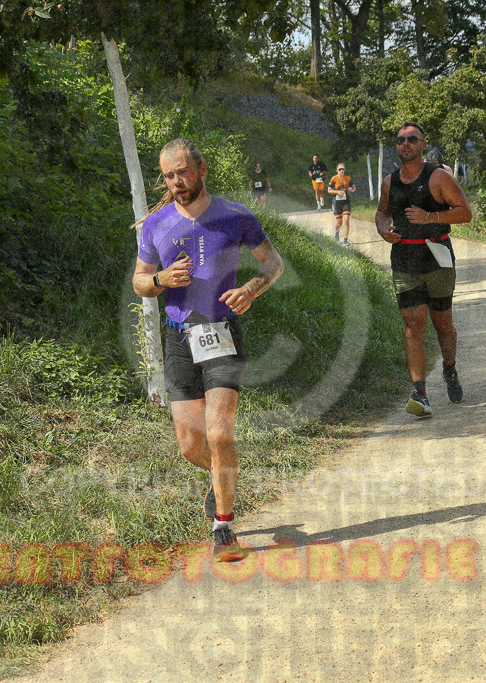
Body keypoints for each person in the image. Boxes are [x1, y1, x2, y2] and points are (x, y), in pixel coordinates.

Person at [133, 138, 284, 561]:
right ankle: (223, 474)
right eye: (169, 176)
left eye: (182, 172)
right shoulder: (156, 224)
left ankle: (223, 528)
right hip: (179, 337)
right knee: (190, 445)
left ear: (201, 169)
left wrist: (251, 290)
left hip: (221, 333)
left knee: (219, 434)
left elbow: (273, 264)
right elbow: (139, 282)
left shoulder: (235, 215)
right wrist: (161, 280)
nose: (176, 181)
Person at [376, 123, 472, 418]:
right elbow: (381, 212)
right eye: (401, 140)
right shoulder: (390, 182)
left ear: (422, 144)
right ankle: (420, 393)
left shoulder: (438, 177)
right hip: (404, 260)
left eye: (412, 139)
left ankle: (450, 370)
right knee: (413, 326)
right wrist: (383, 229)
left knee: (443, 325)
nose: (405, 143)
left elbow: (465, 213)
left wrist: (430, 217)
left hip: (437, 259)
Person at [328, 164, 356, 246]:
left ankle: (345, 240)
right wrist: (338, 192)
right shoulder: (334, 179)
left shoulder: (348, 178)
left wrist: (352, 189)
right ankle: (336, 232)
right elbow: (329, 190)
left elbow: (354, 187)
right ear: (337, 170)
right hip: (337, 202)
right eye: (340, 169)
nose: (341, 171)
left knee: (346, 220)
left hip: (346, 201)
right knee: (339, 223)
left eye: (343, 169)